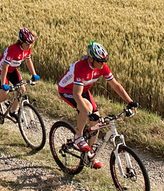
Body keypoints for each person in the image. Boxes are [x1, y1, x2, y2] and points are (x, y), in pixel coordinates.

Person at [57, 41, 138, 169]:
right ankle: (78, 136)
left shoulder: (102, 67)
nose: (103, 64)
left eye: (104, 61)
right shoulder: (81, 67)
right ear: (91, 59)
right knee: (87, 108)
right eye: (100, 61)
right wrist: (89, 114)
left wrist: (130, 101)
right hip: (68, 90)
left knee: (97, 122)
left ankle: (90, 155)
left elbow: (116, 85)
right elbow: (77, 95)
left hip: (83, 89)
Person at [0, 27, 40, 119]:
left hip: (13, 70)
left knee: (22, 90)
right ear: (22, 42)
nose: (29, 46)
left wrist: (34, 74)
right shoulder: (13, 49)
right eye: (27, 44)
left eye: (31, 44)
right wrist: (3, 84)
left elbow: (28, 60)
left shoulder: (27, 49)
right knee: (4, 96)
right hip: (2, 70)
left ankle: (13, 111)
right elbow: (5, 67)